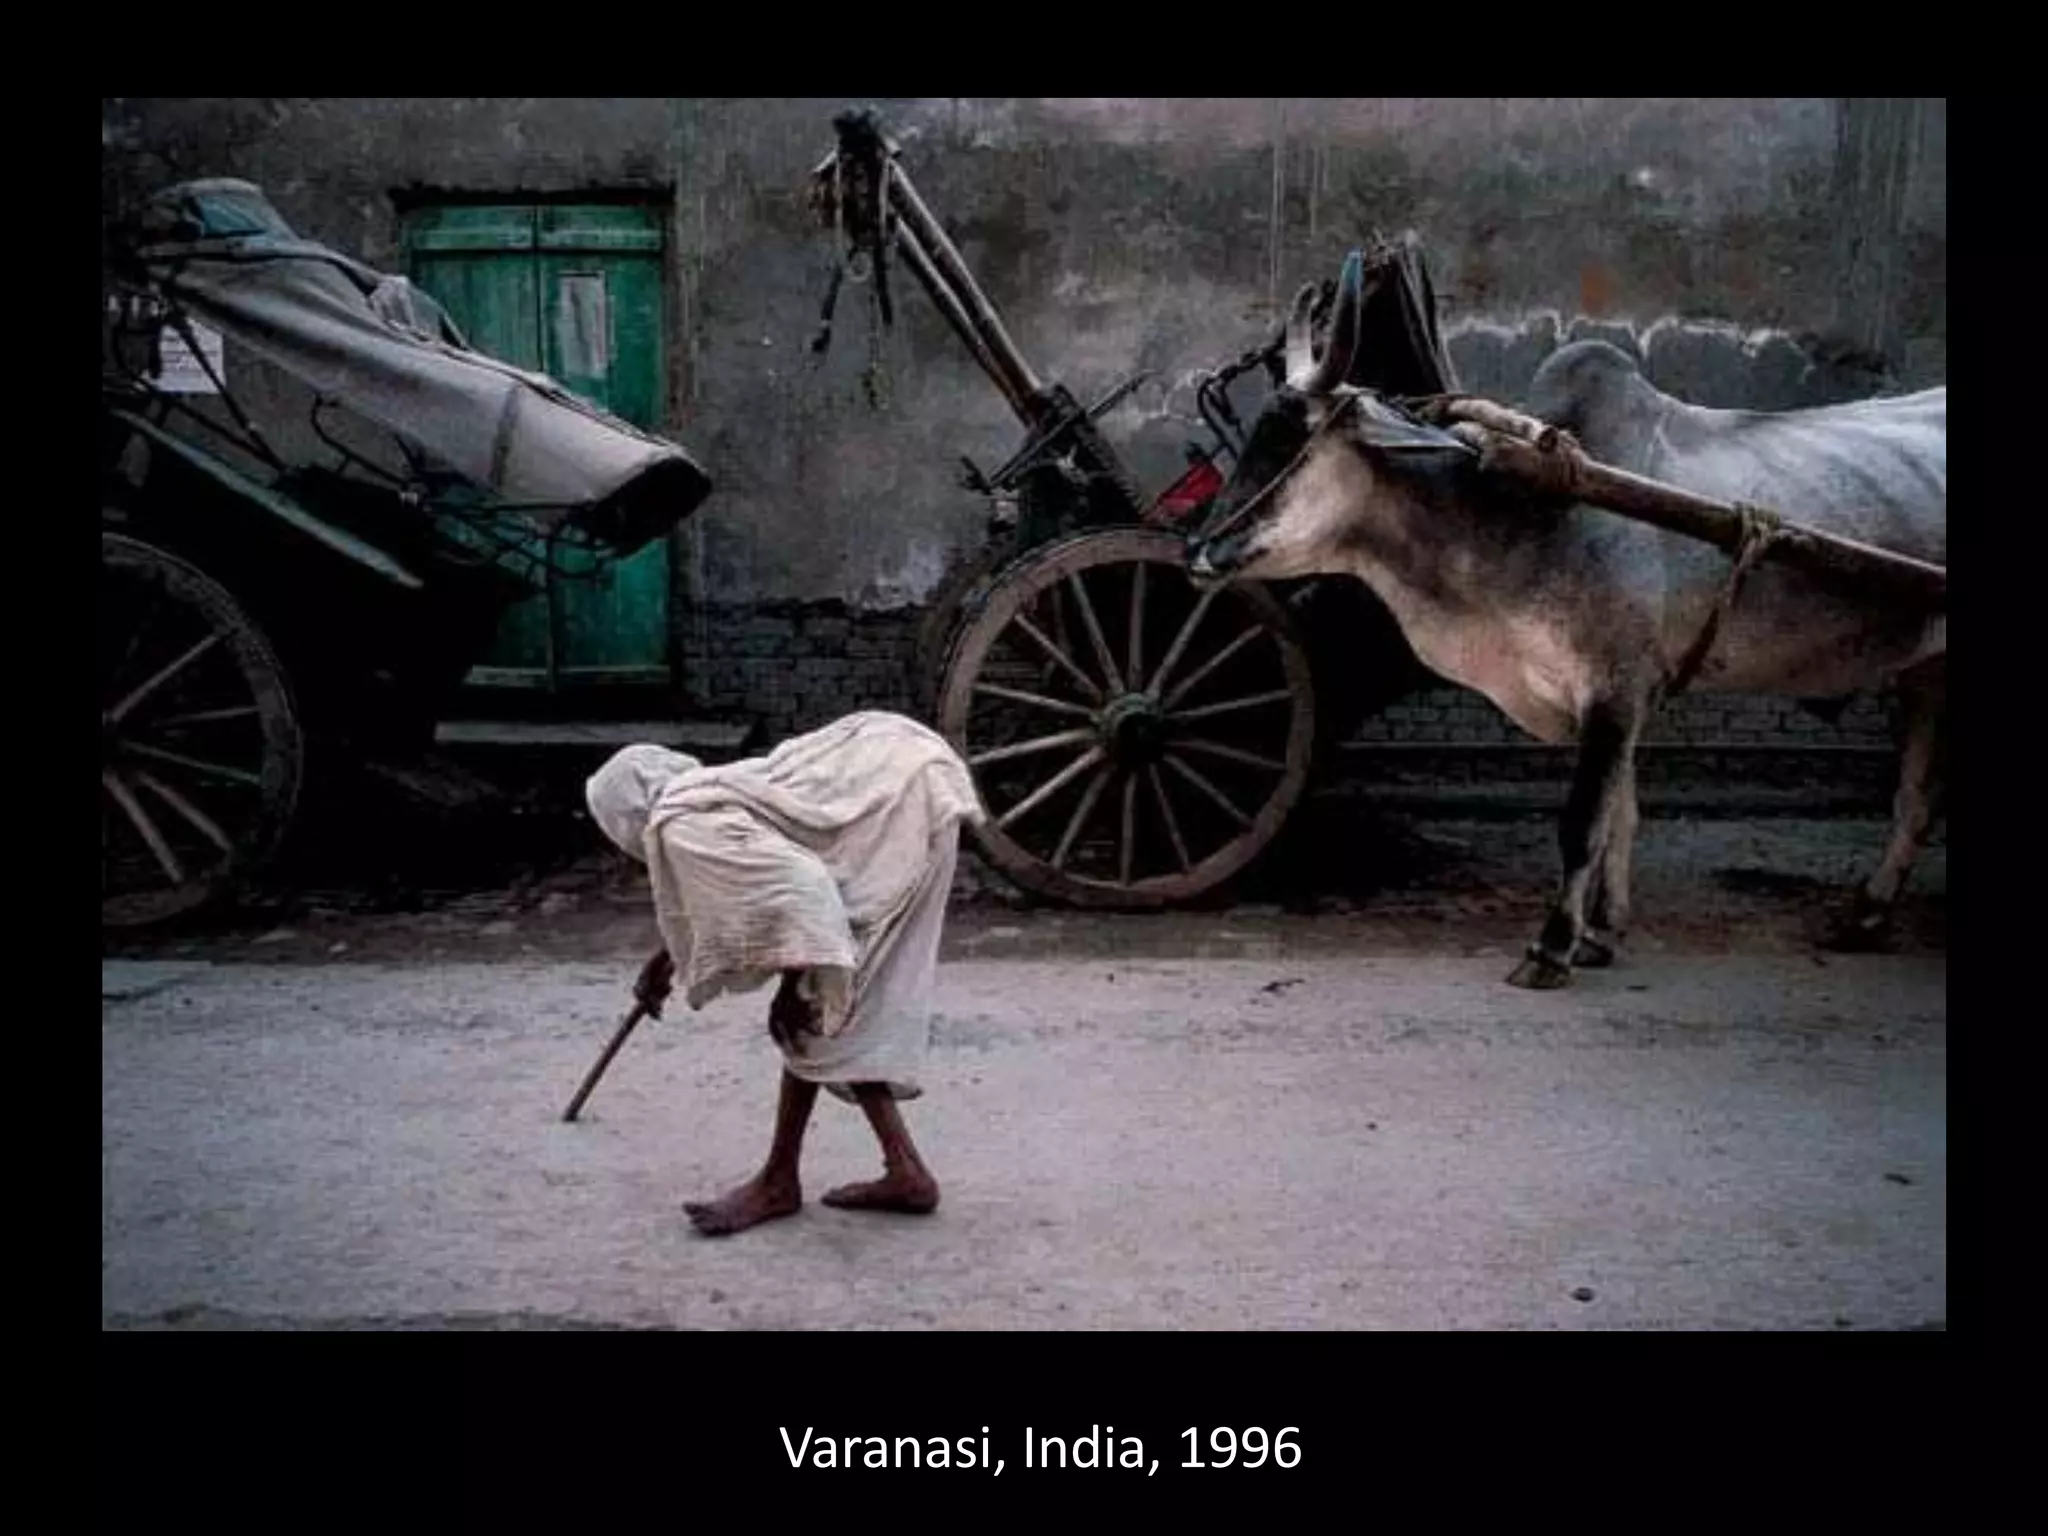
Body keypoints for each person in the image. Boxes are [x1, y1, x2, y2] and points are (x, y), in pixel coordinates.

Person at [583, 711, 985, 1238]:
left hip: (902, 801)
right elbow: (741, 887)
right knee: (831, 1013)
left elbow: (799, 892)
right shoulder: (708, 793)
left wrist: (795, 988)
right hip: (909, 772)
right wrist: (672, 959)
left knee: (812, 1012)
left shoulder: (681, 824)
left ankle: (781, 1180)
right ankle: (901, 1169)